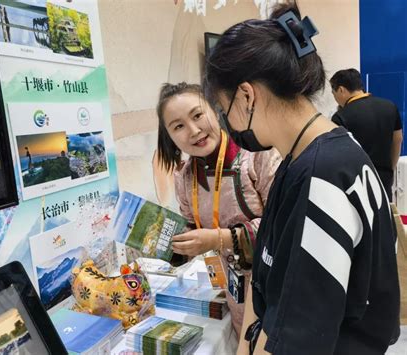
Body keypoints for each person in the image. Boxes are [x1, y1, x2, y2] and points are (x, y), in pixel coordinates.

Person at [204, 3, 400, 355]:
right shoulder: (315, 153)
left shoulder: (320, 176)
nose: (226, 122)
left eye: (224, 108)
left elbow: (299, 337)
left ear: (247, 96)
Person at [156, 82, 281, 338]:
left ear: (215, 111)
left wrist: (218, 238)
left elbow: (282, 226)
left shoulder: (257, 156)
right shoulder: (184, 176)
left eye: (198, 115)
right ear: (169, 135)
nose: (193, 131)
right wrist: (173, 244)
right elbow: (192, 226)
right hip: (234, 290)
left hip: (275, 286)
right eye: (178, 126)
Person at [330, 68, 403, 201]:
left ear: (341, 90)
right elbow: (398, 139)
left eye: (333, 93)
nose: (335, 99)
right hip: (384, 177)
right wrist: (389, 169)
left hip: (356, 182)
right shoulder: (390, 106)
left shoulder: (340, 117)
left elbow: (339, 156)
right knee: (384, 216)